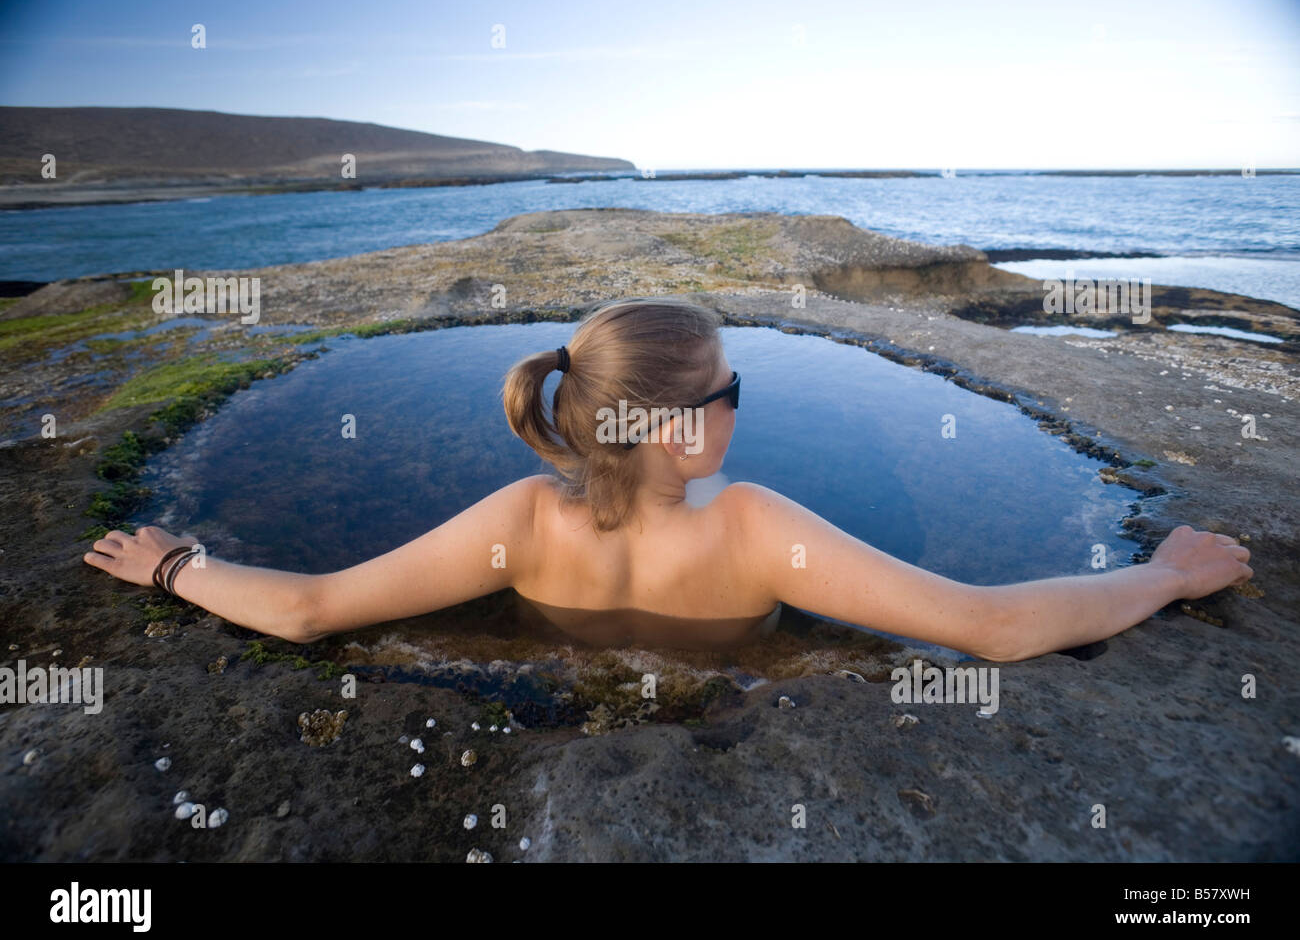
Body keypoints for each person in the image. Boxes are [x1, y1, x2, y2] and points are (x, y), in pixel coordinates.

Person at [83, 297, 1254, 659]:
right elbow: (986, 626)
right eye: (733, 391)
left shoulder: (521, 523)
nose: (743, 407)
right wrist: (1158, 574)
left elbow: (309, 607)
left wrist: (174, 564)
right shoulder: (751, 528)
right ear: (681, 430)